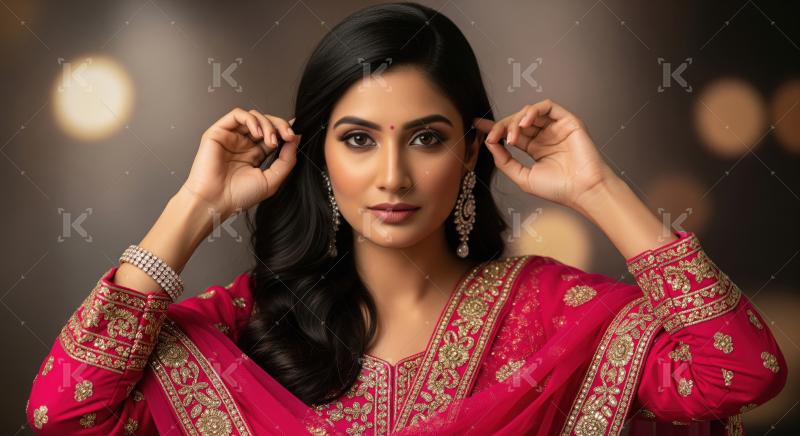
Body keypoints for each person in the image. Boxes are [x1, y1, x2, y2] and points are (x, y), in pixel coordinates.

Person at [26, 2, 786, 435]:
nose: (393, 176)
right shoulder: (246, 327)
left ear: (470, 152)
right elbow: (62, 412)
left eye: (427, 138)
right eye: (359, 140)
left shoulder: (553, 313)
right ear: (319, 155)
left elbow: (742, 372)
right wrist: (196, 205)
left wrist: (597, 189)